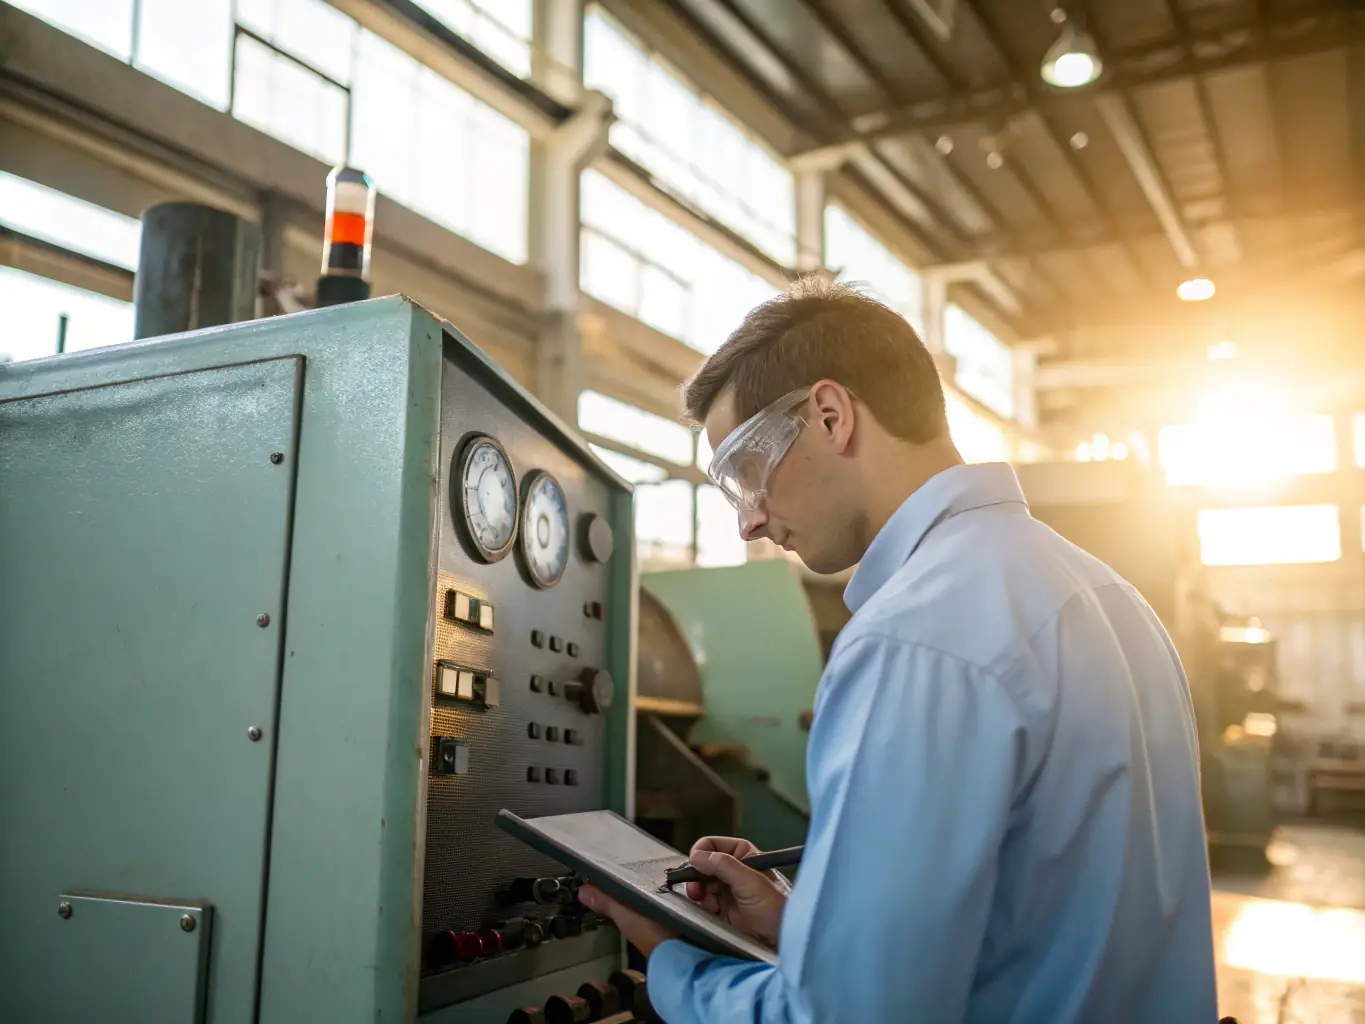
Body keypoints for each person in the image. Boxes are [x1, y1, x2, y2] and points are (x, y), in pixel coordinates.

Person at [577, 279, 1219, 1022]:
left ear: (829, 415)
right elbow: (1047, 930)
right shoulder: (1104, 595)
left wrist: (675, 959)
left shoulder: (913, 636)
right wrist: (806, 930)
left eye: (745, 474)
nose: (749, 522)